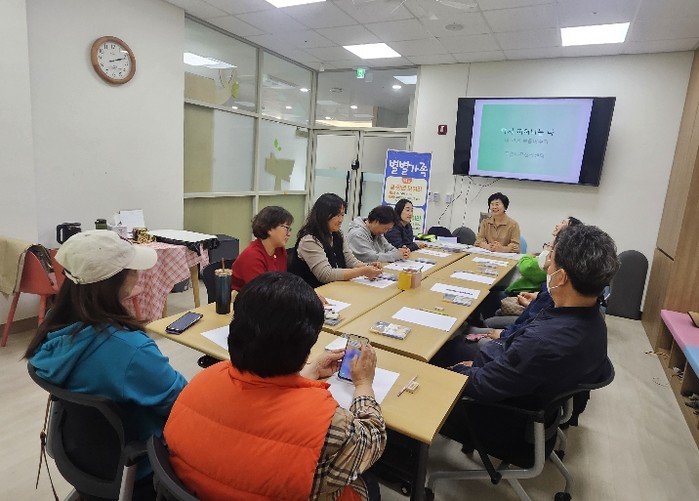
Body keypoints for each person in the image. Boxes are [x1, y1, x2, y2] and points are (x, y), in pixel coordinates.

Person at [164, 272, 386, 500]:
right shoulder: (328, 425)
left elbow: (263, 394)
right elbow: (373, 439)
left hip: (197, 490)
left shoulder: (202, 380)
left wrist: (308, 373)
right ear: (306, 347)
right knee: (368, 482)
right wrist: (363, 383)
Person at [25, 230, 187, 499]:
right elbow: (181, 403)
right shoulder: (129, 350)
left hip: (80, 453)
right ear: (115, 282)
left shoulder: (53, 328)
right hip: (138, 466)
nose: (138, 275)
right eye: (132, 270)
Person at [439, 224, 619, 449]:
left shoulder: (542, 341)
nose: (547, 265)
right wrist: (479, 366)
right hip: (527, 396)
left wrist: (464, 370)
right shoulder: (592, 319)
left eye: (551, 259)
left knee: (437, 358)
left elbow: (484, 385)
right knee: (455, 347)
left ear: (561, 277)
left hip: (504, 424)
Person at [290, 193, 382, 287]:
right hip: (311, 290)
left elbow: (351, 262)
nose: (341, 220)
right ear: (323, 215)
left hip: (334, 287)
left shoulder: (337, 234)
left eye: (342, 215)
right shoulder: (309, 239)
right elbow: (325, 275)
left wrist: (368, 266)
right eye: (337, 215)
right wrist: (362, 271)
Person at [231, 205, 292, 291]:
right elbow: (261, 293)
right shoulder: (252, 256)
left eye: (290, 229)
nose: (289, 234)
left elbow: (281, 283)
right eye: (286, 228)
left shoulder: (280, 250)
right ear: (269, 229)